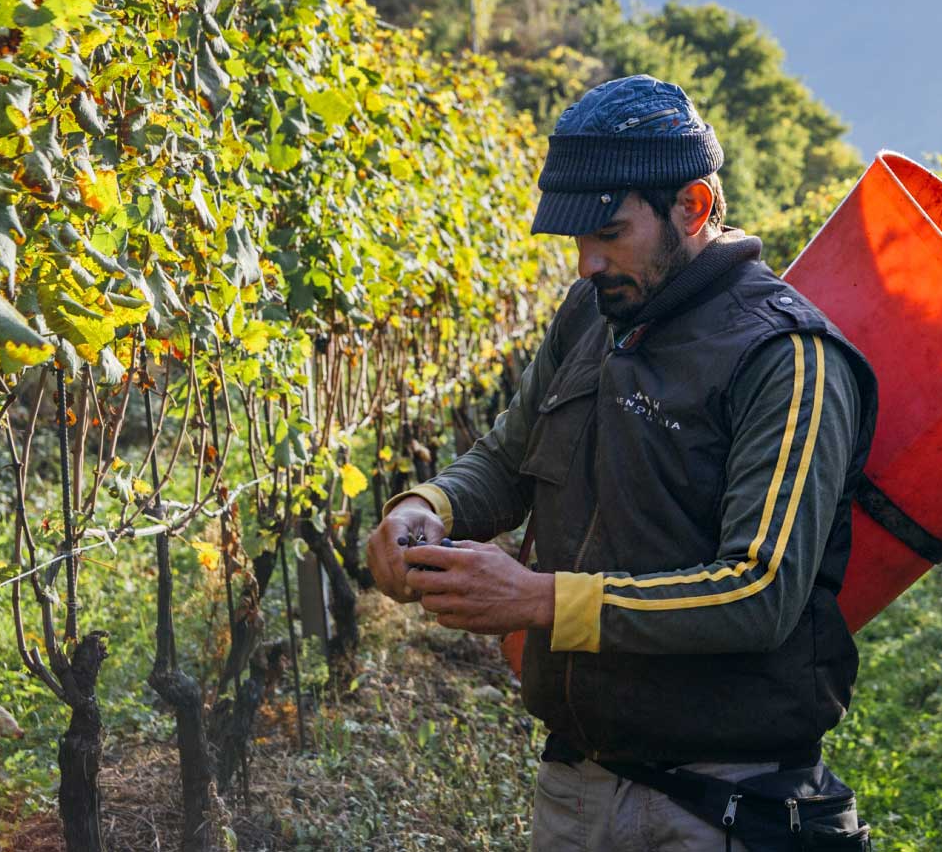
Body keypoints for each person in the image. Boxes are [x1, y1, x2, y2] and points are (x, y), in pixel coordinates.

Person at [364, 74, 878, 850]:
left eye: (609, 235)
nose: (586, 264)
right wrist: (426, 506)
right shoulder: (595, 314)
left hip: (716, 803)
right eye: (577, 240)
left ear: (694, 208)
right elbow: (510, 454)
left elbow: (760, 589)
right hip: (576, 785)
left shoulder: (785, 357)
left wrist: (541, 599)